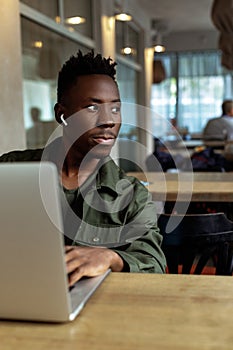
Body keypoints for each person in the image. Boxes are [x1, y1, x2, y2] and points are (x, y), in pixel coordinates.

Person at [0, 50, 166, 285]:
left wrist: (111, 257)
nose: (108, 120)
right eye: (92, 108)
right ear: (62, 114)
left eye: (115, 109)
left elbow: (154, 264)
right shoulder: (9, 170)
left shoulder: (132, 195)